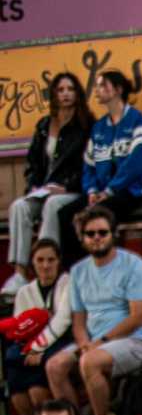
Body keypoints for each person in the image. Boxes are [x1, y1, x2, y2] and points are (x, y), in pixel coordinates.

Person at [45, 206, 142, 415]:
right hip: (94, 342)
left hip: (135, 340)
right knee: (55, 366)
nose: (97, 238)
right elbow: (79, 320)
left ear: (113, 234)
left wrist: (99, 343)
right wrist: (84, 343)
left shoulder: (134, 264)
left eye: (103, 232)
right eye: (90, 233)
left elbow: (137, 317)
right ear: (82, 238)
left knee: (89, 362)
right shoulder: (78, 271)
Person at [5, 74, 88, 293]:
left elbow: (87, 166)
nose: (65, 94)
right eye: (60, 90)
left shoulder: (85, 126)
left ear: (77, 93)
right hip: (44, 190)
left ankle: (46, 266)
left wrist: (65, 187)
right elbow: (32, 162)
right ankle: (19, 274)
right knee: (19, 207)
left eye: (70, 89)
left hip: (71, 191)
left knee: (53, 204)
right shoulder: (44, 125)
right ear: (54, 95)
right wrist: (33, 186)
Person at [66, 72, 142, 265]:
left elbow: (135, 164)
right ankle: (74, 270)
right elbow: (88, 164)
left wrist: (109, 191)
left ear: (118, 90)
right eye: (96, 86)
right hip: (102, 192)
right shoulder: (99, 127)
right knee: (65, 214)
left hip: (132, 191)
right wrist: (92, 190)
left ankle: (102, 264)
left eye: (103, 86)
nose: (97, 90)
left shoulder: (135, 119)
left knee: (96, 213)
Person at [5, 240, 70, 415]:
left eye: (51, 260)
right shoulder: (24, 291)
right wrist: (32, 348)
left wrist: (39, 346)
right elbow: (21, 327)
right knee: (17, 395)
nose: (45, 265)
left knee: (36, 392)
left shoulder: (68, 284)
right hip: (30, 350)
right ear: (32, 262)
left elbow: (63, 320)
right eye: (40, 260)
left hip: (58, 344)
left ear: (58, 261)